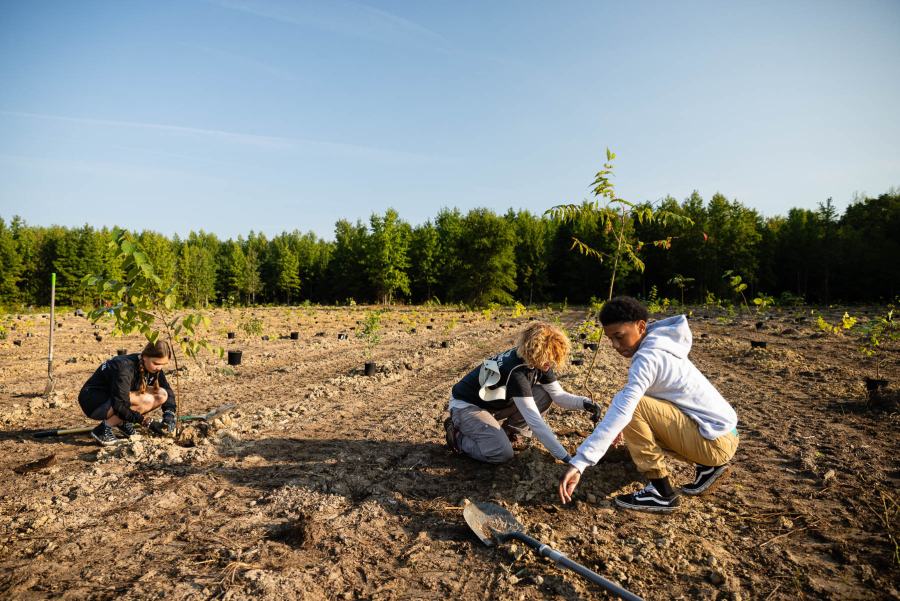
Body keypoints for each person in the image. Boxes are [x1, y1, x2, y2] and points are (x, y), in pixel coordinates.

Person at [558, 297, 738, 514]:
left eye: (619, 336)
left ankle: (661, 493)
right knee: (633, 410)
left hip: (715, 442)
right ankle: (709, 469)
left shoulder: (648, 357)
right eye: (610, 339)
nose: (615, 345)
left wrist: (581, 462)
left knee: (632, 405)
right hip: (721, 435)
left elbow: (626, 407)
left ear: (641, 326)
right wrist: (621, 426)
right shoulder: (660, 345)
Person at [443, 321, 600, 464]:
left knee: (544, 394)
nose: (550, 363)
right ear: (534, 350)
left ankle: (506, 433)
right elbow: (535, 421)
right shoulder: (517, 371)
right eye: (548, 358)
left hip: (493, 403)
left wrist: (585, 403)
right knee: (502, 453)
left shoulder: (540, 362)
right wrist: (565, 458)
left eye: (553, 358)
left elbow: (558, 396)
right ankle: (458, 437)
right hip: (467, 406)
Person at [78, 340, 178, 446]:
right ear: (145, 356)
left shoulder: (152, 367)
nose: (159, 368)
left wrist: (169, 413)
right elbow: (119, 405)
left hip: (114, 399)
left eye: (163, 364)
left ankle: (122, 423)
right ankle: (102, 429)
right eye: (157, 363)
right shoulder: (124, 369)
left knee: (162, 394)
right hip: (95, 403)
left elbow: (167, 390)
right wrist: (147, 422)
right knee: (148, 400)